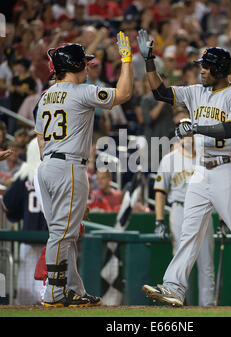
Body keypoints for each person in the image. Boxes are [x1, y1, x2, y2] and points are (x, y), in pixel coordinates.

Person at [137, 30, 231, 308]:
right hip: (201, 172)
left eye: (205, 66)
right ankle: (174, 288)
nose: (200, 70)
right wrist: (149, 59)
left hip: (228, 169)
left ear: (219, 69)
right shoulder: (195, 91)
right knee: (189, 233)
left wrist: (197, 126)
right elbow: (161, 92)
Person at [33, 32, 133, 307]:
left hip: (48, 166)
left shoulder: (45, 96)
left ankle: (73, 289)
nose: (88, 66)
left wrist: (52, 164)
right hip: (69, 167)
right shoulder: (81, 92)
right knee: (62, 233)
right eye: (85, 62)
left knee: (67, 233)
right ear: (75, 66)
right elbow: (124, 94)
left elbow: (40, 135)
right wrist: (126, 60)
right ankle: (54, 291)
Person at [154, 128, 215, 306]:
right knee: (180, 260)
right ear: (179, 137)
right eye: (185, 135)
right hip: (179, 209)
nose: (188, 138)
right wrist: (159, 220)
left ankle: (208, 307)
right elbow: (160, 191)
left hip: (205, 211)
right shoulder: (170, 159)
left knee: (206, 264)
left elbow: (217, 189)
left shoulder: (206, 158)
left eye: (191, 135)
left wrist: (223, 219)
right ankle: (178, 302)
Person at [2, 137, 47, 305]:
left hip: (29, 240)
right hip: (51, 240)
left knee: (26, 293)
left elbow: (7, 204)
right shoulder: (52, 176)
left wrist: (21, 213)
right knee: (46, 290)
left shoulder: (24, 176)